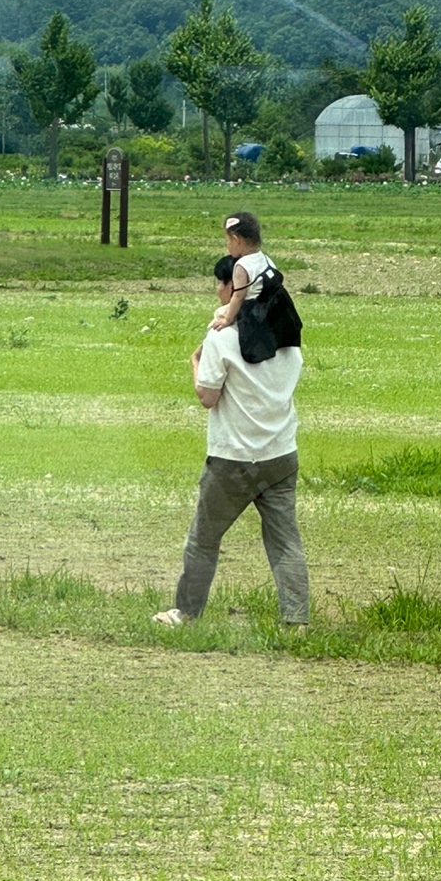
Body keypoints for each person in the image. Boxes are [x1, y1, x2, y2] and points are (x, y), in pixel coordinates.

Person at [153, 253, 309, 628]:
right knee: (285, 542)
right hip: (281, 454)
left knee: (203, 539)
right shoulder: (287, 339)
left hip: (232, 458)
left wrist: (195, 362)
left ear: (232, 289)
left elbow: (208, 396)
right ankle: (296, 621)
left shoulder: (221, 339)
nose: (218, 291)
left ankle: (186, 613)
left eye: (221, 284)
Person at [209, 211, 270, 332]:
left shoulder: (242, 266)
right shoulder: (265, 259)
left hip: (251, 313)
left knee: (218, 317)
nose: (227, 245)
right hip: (270, 310)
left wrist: (227, 319)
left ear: (236, 240)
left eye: (227, 241)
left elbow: (238, 296)